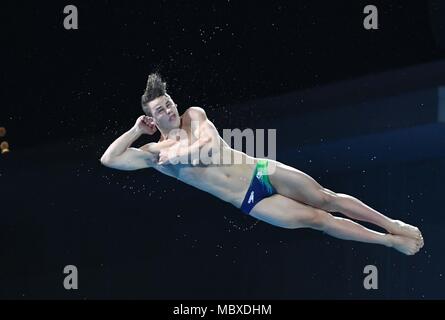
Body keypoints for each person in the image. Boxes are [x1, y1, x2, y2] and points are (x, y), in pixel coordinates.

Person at [100, 73, 424, 255]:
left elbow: (209, 143)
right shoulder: (156, 153)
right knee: (318, 219)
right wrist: (134, 131)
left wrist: (181, 154)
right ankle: (389, 241)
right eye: (161, 110)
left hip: (260, 170)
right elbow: (109, 159)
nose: (169, 110)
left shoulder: (193, 115)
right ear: (153, 119)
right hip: (251, 199)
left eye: (169, 103)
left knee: (327, 197)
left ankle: (393, 224)